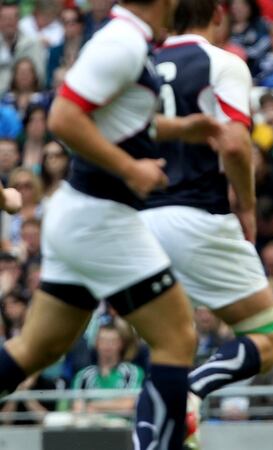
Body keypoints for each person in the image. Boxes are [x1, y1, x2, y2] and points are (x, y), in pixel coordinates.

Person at [0, 0, 222, 448]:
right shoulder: (121, 42)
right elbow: (64, 118)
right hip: (101, 219)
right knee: (178, 336)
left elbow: (121, 120)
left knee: (35, 350)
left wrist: (181, 129)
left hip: (81, 217)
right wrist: (132, 169)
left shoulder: (132, 40)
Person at [140, 4, 273, 447]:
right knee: (267, 336)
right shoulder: (222, 62)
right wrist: (246, 203)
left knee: (166, 350)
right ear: (219, 16)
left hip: (137, 222)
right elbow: (237, 145)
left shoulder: (141, 65)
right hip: (197, 215)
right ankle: (194, 389)